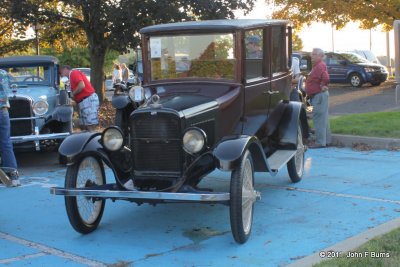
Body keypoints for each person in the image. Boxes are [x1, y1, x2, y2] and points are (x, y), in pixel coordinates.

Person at [60, 66, 99, 132]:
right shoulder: (69, 79)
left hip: (88, 99)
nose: (60, 74)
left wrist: (73, 93)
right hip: (83, 101)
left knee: (90, 125)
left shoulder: (73, 73)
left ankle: (93, 139)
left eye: (60, 71)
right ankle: (87, 139)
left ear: (65, 69)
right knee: (83, 126)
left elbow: (82, 85)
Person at [305, 48, 331, 148]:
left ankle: (320, 142)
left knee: (319, 118)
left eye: (315, 54)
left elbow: (326, 78)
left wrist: (323, 85)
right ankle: (327, 141)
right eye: (312, 54)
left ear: (321, 56)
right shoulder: (317, 66)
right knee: (323, 119)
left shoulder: (320, 66)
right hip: (318, 95)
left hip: (319, 96)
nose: (312, 56)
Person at [0, 69, 20, 187]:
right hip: (3, 111)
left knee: (5, 143)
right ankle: (14, 176)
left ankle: (9, 176)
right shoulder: (3, 73)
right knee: (6, 143)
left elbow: (5, 93)